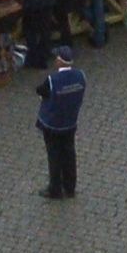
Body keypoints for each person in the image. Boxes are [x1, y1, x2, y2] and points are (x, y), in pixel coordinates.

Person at [34, 50, 85, 198]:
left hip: (53, 124)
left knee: (54, 156)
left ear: (60, 61)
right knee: (69, 153)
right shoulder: (80, 76)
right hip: (70, 122)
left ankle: (55, 188)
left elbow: (41, 91)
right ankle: (70, 186)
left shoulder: (52, 80)